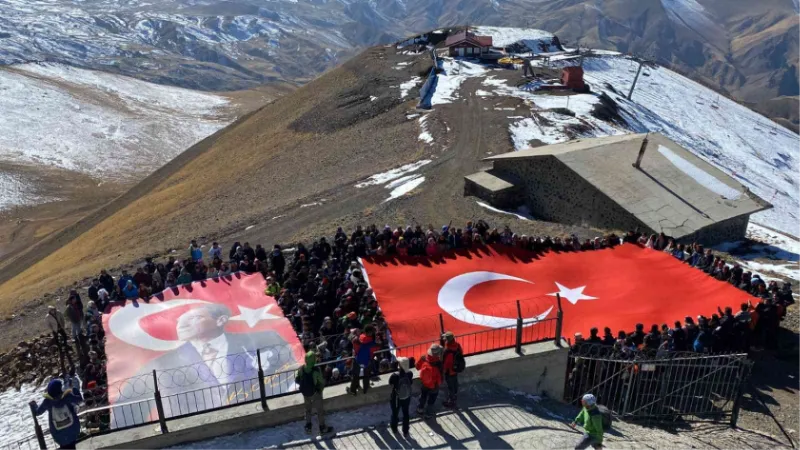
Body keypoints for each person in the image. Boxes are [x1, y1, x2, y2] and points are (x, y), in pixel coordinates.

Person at [30, 377, 82, 450]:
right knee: (72, 447)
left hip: (58, 434)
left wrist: (33, 405)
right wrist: (75, 390)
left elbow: (38, 412)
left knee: (64, 447)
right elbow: (79, 399)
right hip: (72, 430)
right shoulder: (67, 397)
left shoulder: (47, 402)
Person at [296, 350, 334, 435]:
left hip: (305, 393)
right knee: (319, 410)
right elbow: (321, 382)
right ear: (313, 360)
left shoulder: (301, 368)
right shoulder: (316, 370)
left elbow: (297, 379)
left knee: (308, 409)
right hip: (315, 393)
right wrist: (320, 390)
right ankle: (322, 427)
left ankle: (308, 426)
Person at [416, 344, 443, 418]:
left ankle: (420, 409)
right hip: (434, 386)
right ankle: (428, 414)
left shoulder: (424, 358)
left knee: (423, 397)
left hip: (424, 383)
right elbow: (439, 378)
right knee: (431, 400)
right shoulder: (439, 363)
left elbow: (417, 367)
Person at [389, 356, 413, 436]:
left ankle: (394, 428)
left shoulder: (395, 375)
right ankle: (405, 431)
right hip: (407, 396)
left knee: (395, 413)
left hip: (396, 397)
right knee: (405, 413)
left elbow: (390, 383)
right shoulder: (410, 373)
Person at [441, 331, 464, 408]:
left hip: (449, 372)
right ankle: (455, 395)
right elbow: (461, 353)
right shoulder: (457, 346)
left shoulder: (448, 351)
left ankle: (452, 401)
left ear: (447, 340)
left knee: (450, 387)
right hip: (456, 369)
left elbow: (446, 364)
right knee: (455, 383)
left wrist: (443, 372)